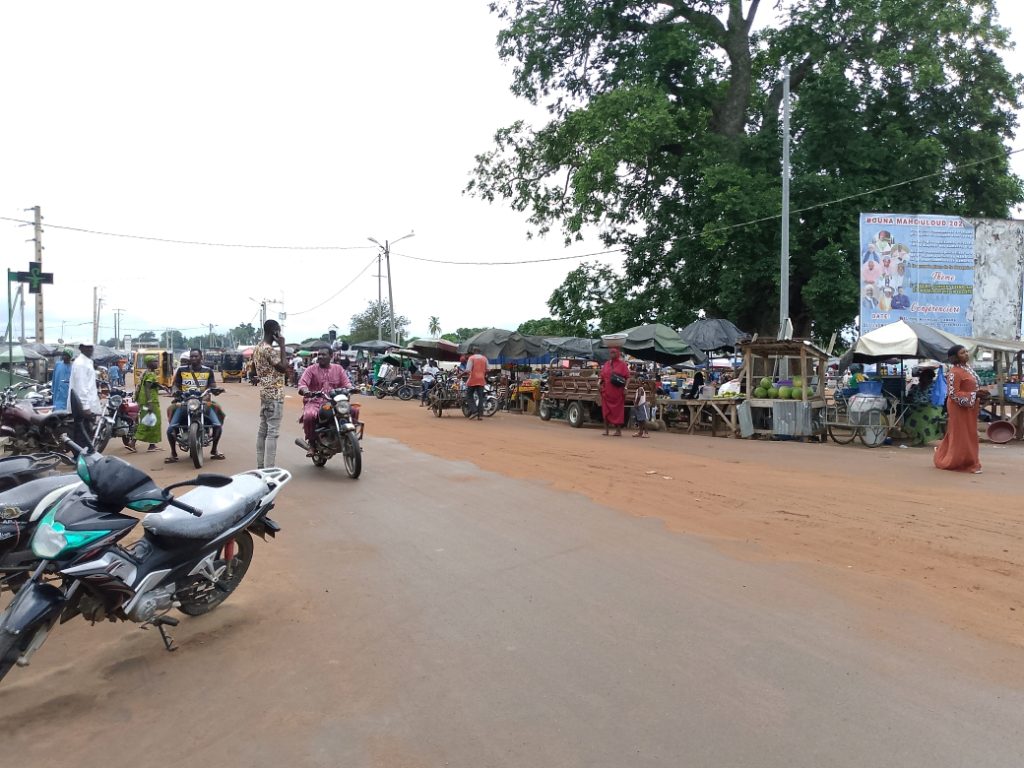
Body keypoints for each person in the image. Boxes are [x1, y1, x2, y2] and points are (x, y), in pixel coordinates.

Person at [934, 345, 987, 474]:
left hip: (970, 406)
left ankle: (950, 456)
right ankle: (964, 462)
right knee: (961, 434)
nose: (966, 354)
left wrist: (979, 394)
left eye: (966, 352)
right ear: (955, 357)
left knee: (969, 433)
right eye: (962, 353)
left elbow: (971, 387)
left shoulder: (968, 369)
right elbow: (953, 394)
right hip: (959, 407)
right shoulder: (954, 372)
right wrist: (974, 395)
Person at [166, 349, 223, 462]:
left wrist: (215, 390)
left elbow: (212, 386)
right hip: (184, 402)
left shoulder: (208, 371)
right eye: (192, 356)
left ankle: (214, 450)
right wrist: (175, 391)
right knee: (170, 429)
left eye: (196, 356)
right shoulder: (182, 370)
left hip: (203, 402)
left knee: (217, 425)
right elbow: (176, 385)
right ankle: (173, 453)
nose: (193, 358)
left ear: (201, 357)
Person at [297, 348, 352, 454]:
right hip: (315, 401)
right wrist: (305, 391)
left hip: (334, 401)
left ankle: (350, 438)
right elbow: (302, 384)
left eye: (324, 354)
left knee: (353, 410)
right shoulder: (311, 369)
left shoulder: (338, 369)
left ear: (331, 356)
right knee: (309, 415)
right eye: (319, 354)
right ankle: (312, 444)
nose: (320, 356)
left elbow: (347, 383)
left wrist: (351, 388)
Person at [253, 319, 289, 469]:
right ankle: (269, 469)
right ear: (275, 331)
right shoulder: (269, 349)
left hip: (265, 394)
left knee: (263, 431)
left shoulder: (257, 348)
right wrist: (282, 345)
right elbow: (283, 368)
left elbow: (255, 370)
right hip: (275, 395)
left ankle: (261, 467)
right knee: (272, 433)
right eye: (279, 331)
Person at [69, 343, 102, 448]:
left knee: (86, 433)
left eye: (90, 347)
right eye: (86, 347)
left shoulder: (87, 362)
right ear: (80, 348)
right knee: (82, 435)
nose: (89, 349)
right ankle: (81, 458)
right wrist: (86, 407)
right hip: (81, 407)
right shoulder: (80, 364)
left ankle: (81, 457)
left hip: (86, 405)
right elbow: (81, 387)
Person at [903, 367, 944, 447]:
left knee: (921, 419)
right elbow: (910, 396)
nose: (921, 379)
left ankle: (923, 437)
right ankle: (915, 436)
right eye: (921, 377)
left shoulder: (935, 387)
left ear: (930, 378)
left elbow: (936, 399)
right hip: (917, 408)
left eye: (924, 377)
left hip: (932, 408)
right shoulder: (917, 387)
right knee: (910, 416)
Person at [133, 355, 164, 452]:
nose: (157, 363)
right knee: (147, 422)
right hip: (149, 402)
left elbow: (151, 384)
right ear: (149, 363)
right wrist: (150, 402)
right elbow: (147, 388)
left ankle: (152, 445)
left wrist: (161, 386)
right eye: (154, 361)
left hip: (147, 401)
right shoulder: (150, 374)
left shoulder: (148, 373)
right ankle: (132, 443)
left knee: (153, 422)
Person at [599, 346, 630, 436]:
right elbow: (602, 377)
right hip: (606, 392)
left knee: (618, 412)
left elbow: (628, 378)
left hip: (618, 393)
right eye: (611, 352)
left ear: (618, 354)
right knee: (605, 411)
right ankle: (606, 430)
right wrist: (598, 383)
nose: (612, 354)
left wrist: (626, 388)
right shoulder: (606, 364)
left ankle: (618, 430)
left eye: (614, 352)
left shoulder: (622, 364)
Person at [464, 346, 489, 420]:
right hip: (481, 380)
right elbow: (488, 369)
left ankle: (474, 411)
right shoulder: (484, 358)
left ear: (474, 351)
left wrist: (460, 375)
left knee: (469, 395)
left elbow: (468, 370)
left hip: (473, 379)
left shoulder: (471, 358)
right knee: (480, 397)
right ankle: (480, 415)